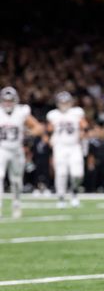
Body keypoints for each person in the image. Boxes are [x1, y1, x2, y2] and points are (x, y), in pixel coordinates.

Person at [0, 86, 43, 218]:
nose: (8, 103)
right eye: (5, 100)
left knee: (16, 180)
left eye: (10, 100)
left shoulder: (21, 112)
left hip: (17, 149)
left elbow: (38, 127)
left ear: (15, 100)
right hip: (2, 148)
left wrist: (29, 134)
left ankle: (17, 203)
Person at [46, 91, 88, 208]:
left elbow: (84, 126)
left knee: (77, 174)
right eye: (62, 102)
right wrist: (49, 139)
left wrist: (83, 132)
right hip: (60, 146)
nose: (64, 104)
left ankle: (74, 192)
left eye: (66, 102)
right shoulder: (53, 114)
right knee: (61, 173)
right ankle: (61, 197)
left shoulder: (77, 113)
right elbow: (48, 130)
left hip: (74, 146)